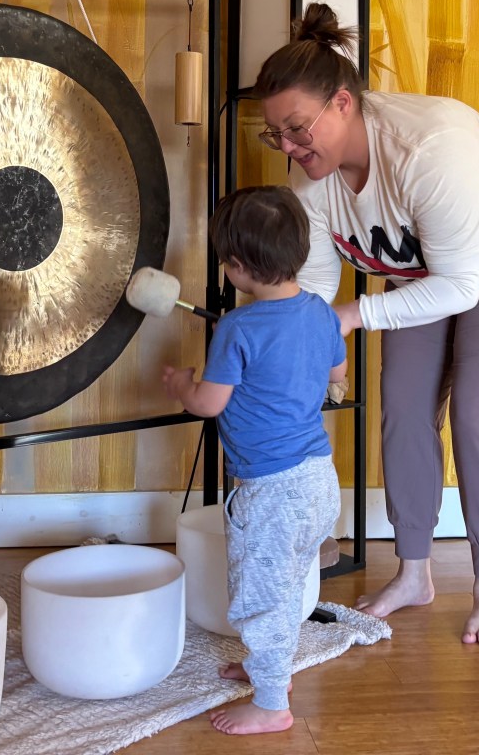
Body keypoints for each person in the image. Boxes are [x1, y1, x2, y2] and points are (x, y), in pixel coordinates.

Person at [251, 2, 479, 648]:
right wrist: (301, 347)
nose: (288, 148)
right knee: (402, 407)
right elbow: (316, 286)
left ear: (343, 103)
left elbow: (458, 286)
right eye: (276, 135)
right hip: (426, 271)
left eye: (296, 129)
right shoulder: (312, 185)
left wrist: (353, 315)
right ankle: (414, 574)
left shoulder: (428, 148)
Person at [162, 185, 347, 736]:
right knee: (284, 586)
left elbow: (209, 404)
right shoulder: (321, 314)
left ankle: (271, 704)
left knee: (261, 600)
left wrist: (182, 384)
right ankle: (270, 668)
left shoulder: (238, 329)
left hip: (271, 492)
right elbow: (337, 374)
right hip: (319, 480)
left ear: (238, 267)